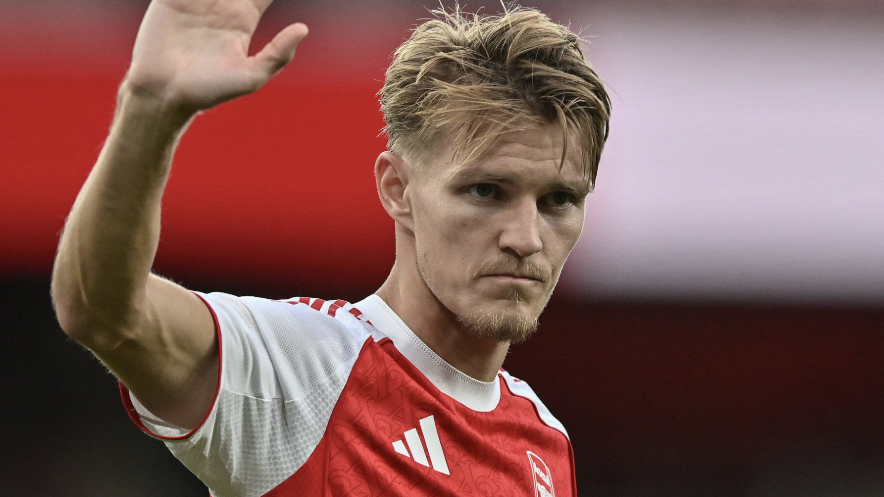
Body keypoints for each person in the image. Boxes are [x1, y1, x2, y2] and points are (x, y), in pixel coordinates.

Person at [51, 0, 611, 495]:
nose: (526, 238)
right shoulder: (303, 373)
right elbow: (104, 311)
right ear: (398, 190)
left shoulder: (544, 441)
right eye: (485, 191)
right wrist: (150, 108)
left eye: (558, 200)